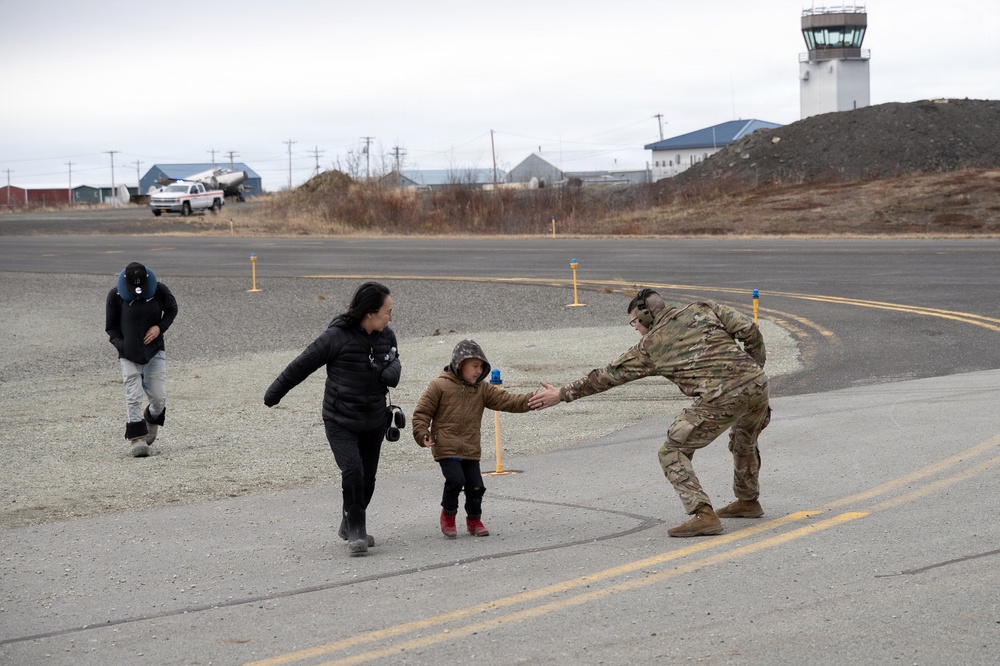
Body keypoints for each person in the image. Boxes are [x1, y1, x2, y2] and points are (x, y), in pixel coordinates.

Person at [528, 288, 771, 538]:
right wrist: (753, 367)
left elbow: (606, 377)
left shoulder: (651, 346)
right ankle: (748, 501)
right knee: (744, 443)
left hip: (722, 397)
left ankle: (703, 514)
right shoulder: (704, 308)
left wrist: (561, 394)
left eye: (634, 321)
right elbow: (750, 330)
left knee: (672, 451)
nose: (634, 327)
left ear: (645, 316)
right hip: (757, 385)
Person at [264, 282, 400, 557]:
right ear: (371, 313)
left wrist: (391, 372)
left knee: (369, 479)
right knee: (353, 471)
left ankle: (349, 522)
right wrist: (273, 394)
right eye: (388, 311)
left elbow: (395, 361)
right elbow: (301, 365)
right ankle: (357, 532)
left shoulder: (387, 336)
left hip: (375, 418)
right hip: (340, 420)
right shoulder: (336, 337)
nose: (390, 317)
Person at [412, 339, 534, 539]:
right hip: (445, 446)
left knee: (476, 486)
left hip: (470, 447)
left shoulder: (482, 389)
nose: (478, 371)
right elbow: (421, 413)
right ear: (460, 364)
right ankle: (448, 516)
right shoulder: (439, 385)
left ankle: (474, 520)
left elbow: (507, 401)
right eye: (474, 366)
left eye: (481, 367)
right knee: (455, 480)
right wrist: (422, 433)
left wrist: (532, 400)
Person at [105, 262, 179, 458]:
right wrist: (123, 345)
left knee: (158, 399)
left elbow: (172, 309)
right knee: (133, 395)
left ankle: (151, 420)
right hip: (129, 356)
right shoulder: (115, 296)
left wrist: (159, 328)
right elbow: (110, 328)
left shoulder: (160, 290)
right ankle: (137, 438)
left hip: (155, 352)